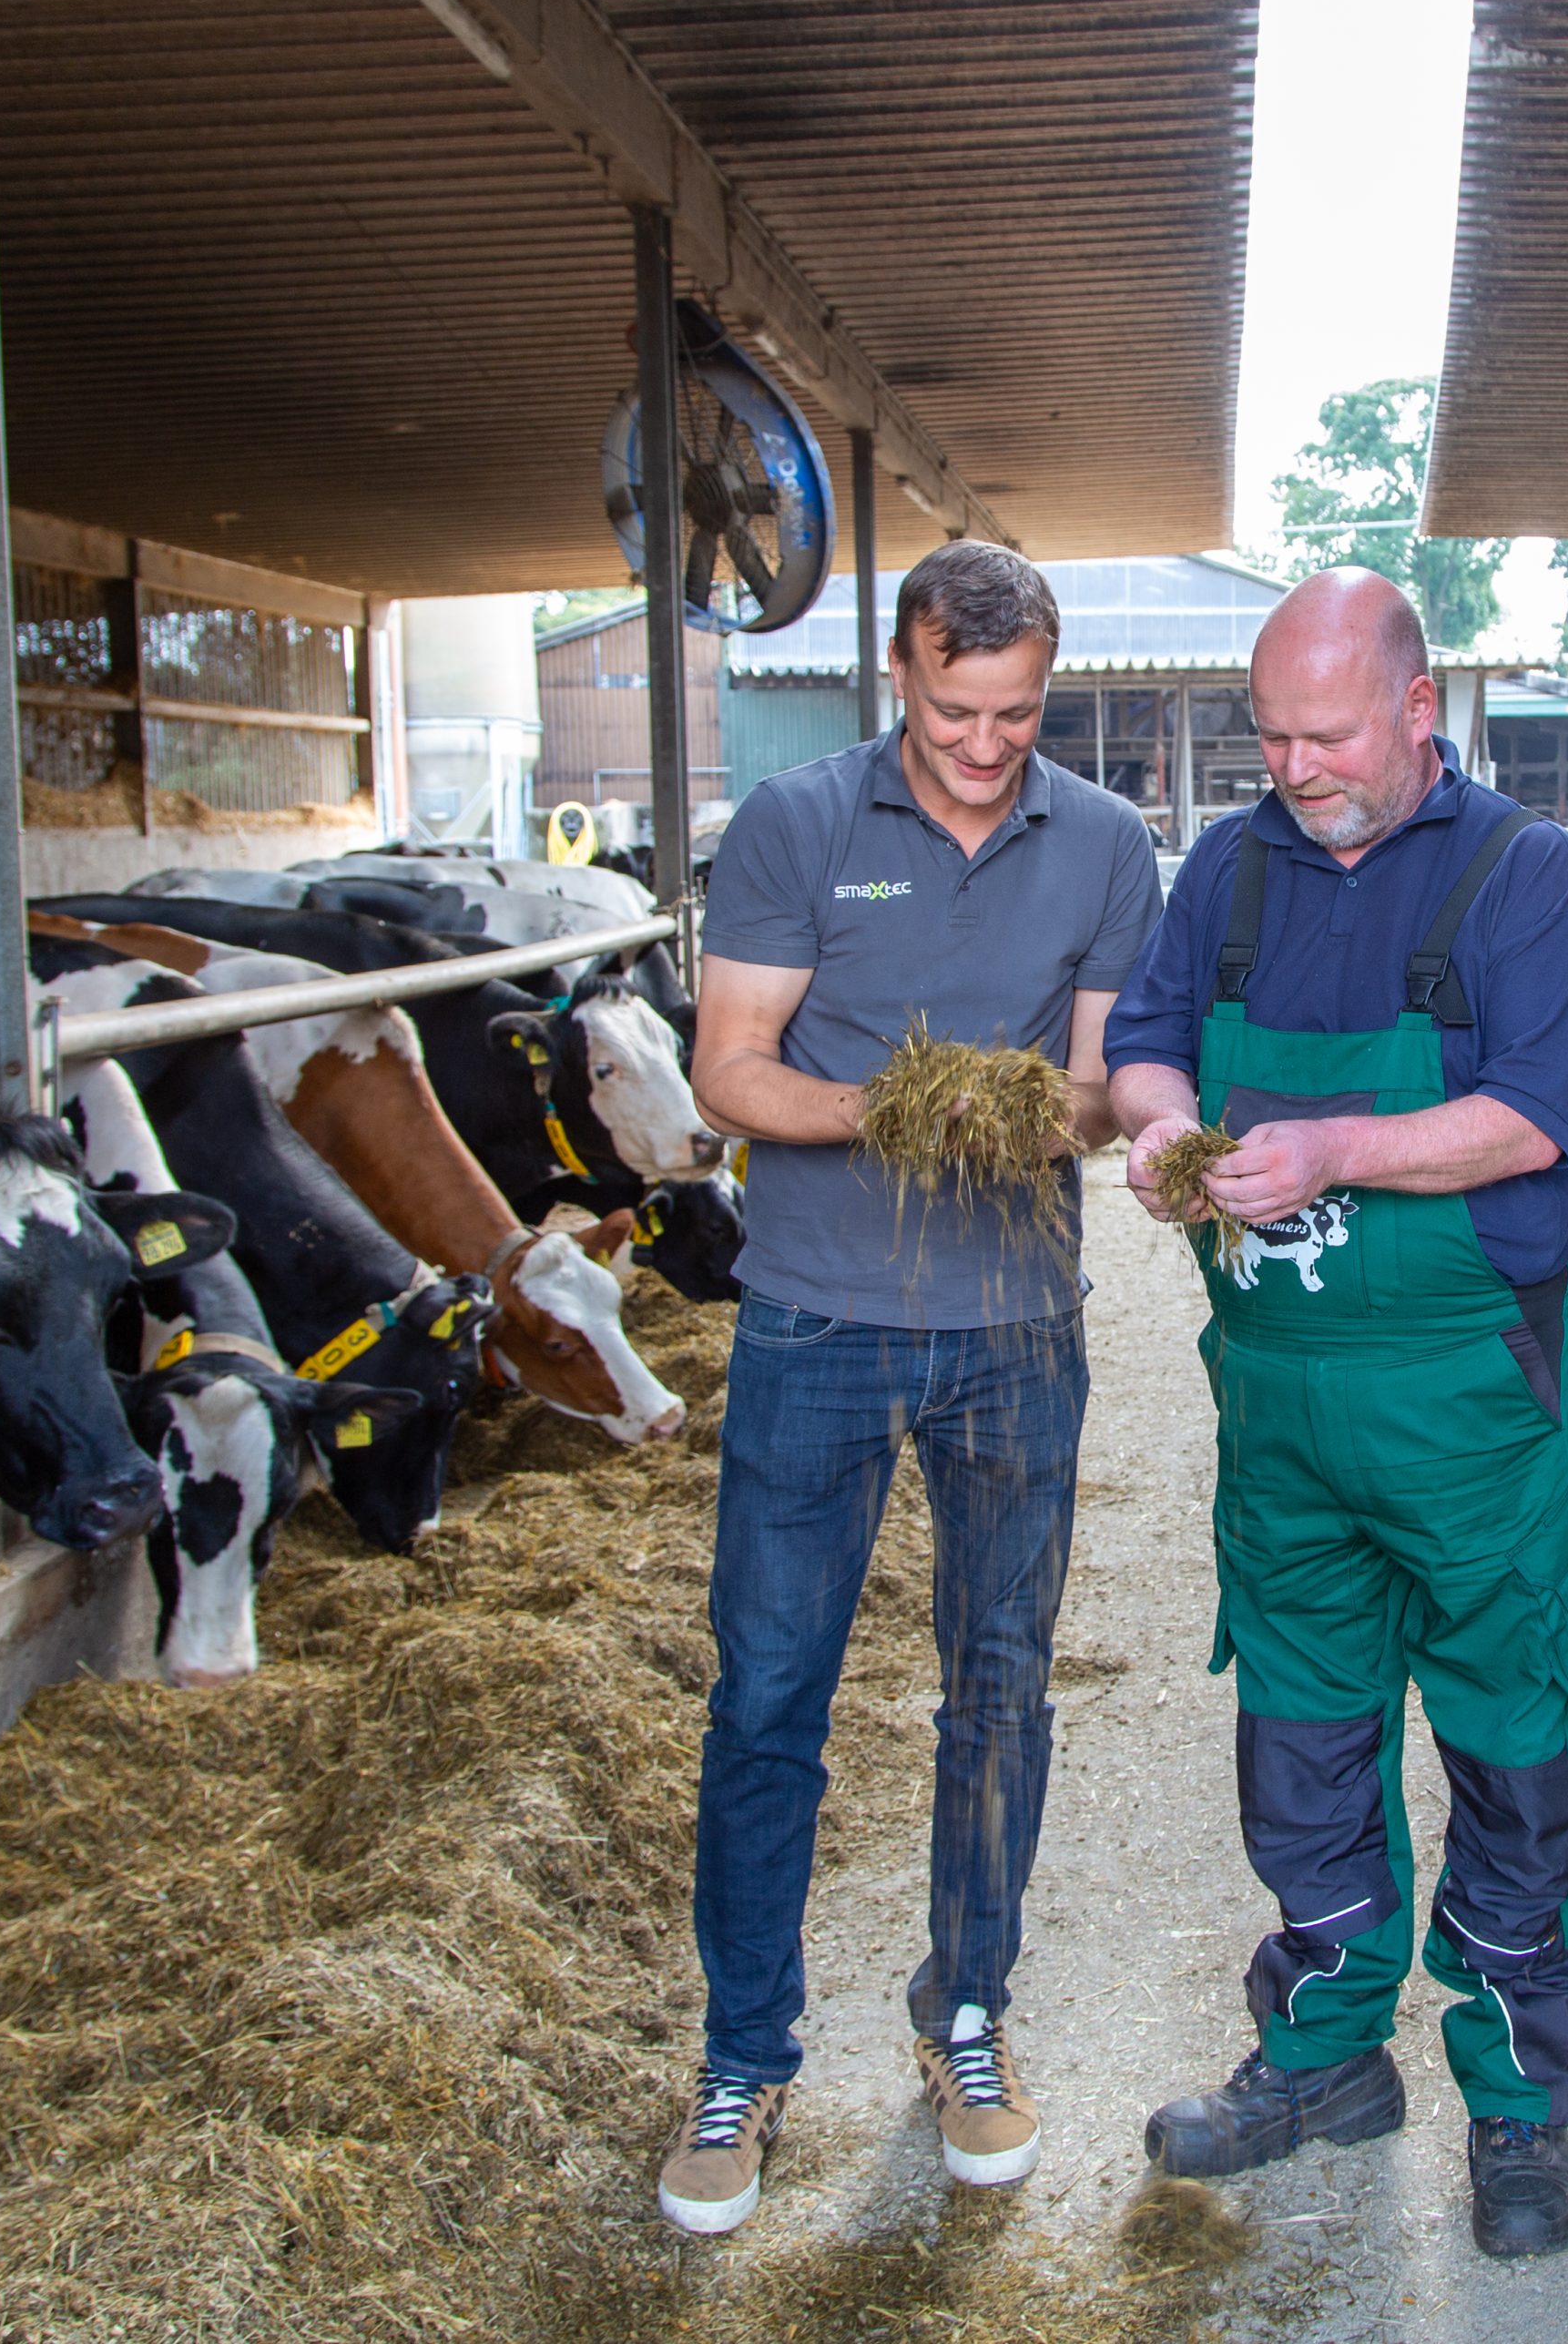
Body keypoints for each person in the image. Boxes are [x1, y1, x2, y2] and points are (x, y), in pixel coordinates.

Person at [1106, 568, 1568, 2257]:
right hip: (1281, 1413)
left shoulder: (1524, 875)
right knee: (1304, 1745)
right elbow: (1152, 1037)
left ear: (1417, 708)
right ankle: (1327, 2055)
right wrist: (1157, 1124)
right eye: (1271, 735)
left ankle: (1518, 2101)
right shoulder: (1233, 867)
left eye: (1326, 733)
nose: (1295, 765)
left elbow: (1532, 1117)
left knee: (1505, 1741)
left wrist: (1330, 1149)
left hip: (1470, 1407)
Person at [656, 538, 1161, 2237]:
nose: (985, 744)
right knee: (771, 1689)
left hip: (1017, 1326)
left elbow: (1097, 1091)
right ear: (900, 672)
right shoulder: (797, 826)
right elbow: (729, 1074)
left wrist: (1057, 1111)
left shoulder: (1104, 841)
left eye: (1017, 713)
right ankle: (742, 2052)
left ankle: (965, 2013)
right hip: (816, 1318)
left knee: (1000, 1683)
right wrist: (904, 1107)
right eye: (956, 709)